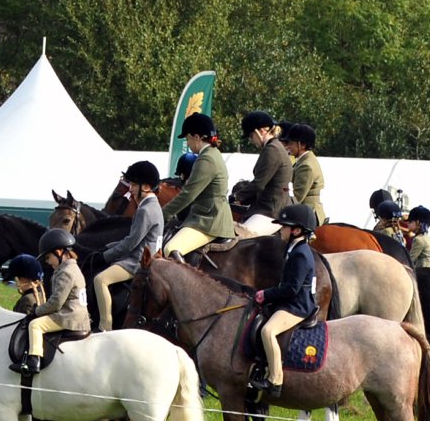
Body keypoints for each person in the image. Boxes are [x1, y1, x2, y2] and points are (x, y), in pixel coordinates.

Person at [249, 204, 320, 401]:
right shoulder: (294, 248)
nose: (281, 230)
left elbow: (291, 289)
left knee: (267, 331)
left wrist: (266, 294)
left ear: (296, 230)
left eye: (284, 227)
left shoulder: (301, 254)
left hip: (297, 306)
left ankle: (275, 379)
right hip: (291, 301)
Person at [92, 160, 164, 331]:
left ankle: (105, 326)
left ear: (145, 186)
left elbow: (131, 244)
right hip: (146, 254)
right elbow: (133, 238)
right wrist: (108, 246)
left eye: (133, 184)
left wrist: (105, 256)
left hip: (137, 261)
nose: (130, 188)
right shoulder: (154, 206)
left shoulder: (145, 210)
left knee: (100, 280)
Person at [15, 228, 89, 375]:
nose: (48, 262)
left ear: (59, 252)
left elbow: (56, 303)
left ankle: (33, 361)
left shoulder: (66, 273)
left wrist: (36, 311)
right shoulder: (73, 268)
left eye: (48, 257)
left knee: (35, 325)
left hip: (69, 317)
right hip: (78, 314)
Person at [162, 113, 235, 257]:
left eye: (188, 139)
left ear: (196, 137)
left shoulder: (206, 159)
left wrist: (163, 213)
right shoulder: (213, 153)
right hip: (207, 216)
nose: (188, 143)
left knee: (170, 249)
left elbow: (188, 194)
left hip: (209, 221)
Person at [242, 110, 292, 218]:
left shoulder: (272, 150)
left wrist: (236, 196)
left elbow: (258, 184)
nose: (251, 140)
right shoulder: (275, 146)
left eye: (251, 136)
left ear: (260, 131)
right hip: (273, 204)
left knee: (242, 233)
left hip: (270, 210)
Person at [282, 123, 325, 224]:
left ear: (302, 145)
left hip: (308, 215)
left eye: (291, 143)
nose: (289, 147)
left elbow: (297, 197)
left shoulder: (306, 166)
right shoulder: (303, 160)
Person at [403, 205, 430, 271]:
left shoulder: (418, 240)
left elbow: (410, 260)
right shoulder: (426, 237)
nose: (407, 224)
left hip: (426, 271)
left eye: (410, 222)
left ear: (418, 222)